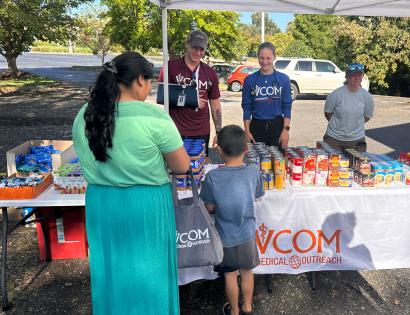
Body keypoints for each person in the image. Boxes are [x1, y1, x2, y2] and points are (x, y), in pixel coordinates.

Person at [72, 52, 190, 314]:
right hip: (145, 206)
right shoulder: (154, 118)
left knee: (110, 273)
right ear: (139, 80)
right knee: (151, 275)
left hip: (101, 204)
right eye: (150, 83)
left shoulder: (84, 115)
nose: (150, 90)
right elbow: (182, 166)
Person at [200, 125, 264, 315]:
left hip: (225, 236)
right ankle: (248, 307)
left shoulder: (212, 176)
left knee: (230, 275)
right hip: (247, 234)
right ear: (246, 149)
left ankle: (234, 311)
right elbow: (258, 194)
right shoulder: (253, 171)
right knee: (247, 271)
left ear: (218, 149)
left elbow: (209, 207)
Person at [159, 29, 222, 152]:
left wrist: (219, 131)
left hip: (201, 130)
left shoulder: (210, 72)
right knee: (177, 169)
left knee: (200, 167)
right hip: (175, 130)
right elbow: (161, 96)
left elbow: (215, 104)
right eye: (194, 47)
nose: (198, 53)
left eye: (201, 49)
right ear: (186, 44)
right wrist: (191, 99)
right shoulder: (170, 67)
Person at [242, 42, 292, 149]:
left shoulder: (284, 79)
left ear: (274, 57)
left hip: (277, 126)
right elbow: (247, 108)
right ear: (257, 57)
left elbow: (287, 107)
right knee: (256, 161)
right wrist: (247, 131)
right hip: (256, 126)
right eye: (261, 58)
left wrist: (285, 131)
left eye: (268, 58)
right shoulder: (249, 80)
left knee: (277, 163)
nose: (264, 62)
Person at [323, 62, 374, 152]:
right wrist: (340, 125)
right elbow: (328, 113)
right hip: (333, 139)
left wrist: (353, 124)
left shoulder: (367, 96)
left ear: (362, 76)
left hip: (356, 140)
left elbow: (367, 117)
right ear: (347, 77)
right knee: (332, 165)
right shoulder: (335, 94)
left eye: (359, 75)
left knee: (357, 165)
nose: (356, 78)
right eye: (353, 75)